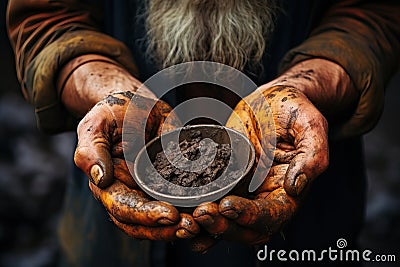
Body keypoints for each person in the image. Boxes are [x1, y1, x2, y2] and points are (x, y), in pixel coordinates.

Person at [6, 0, 400, 266]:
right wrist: (107, 88)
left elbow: (372, 14)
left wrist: (309, 84)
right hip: (112, 232)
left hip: (302, 221)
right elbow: (46, 18)